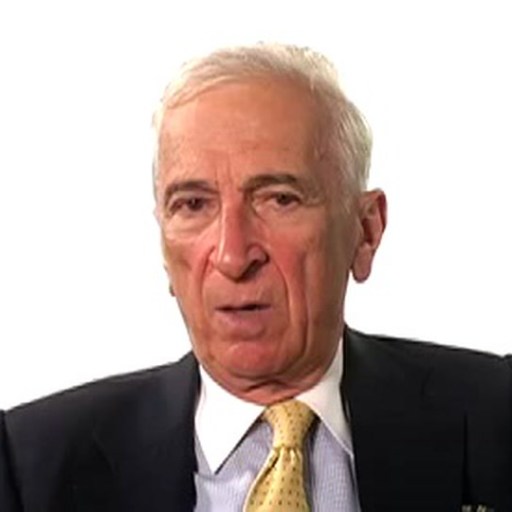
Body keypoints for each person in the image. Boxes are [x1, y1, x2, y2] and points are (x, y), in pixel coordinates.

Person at [1, 43, 511, 512]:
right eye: (193, 205)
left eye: (280, 199)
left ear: (365, 231)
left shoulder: (497, 416)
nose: (232, 255)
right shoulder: (29, 465)